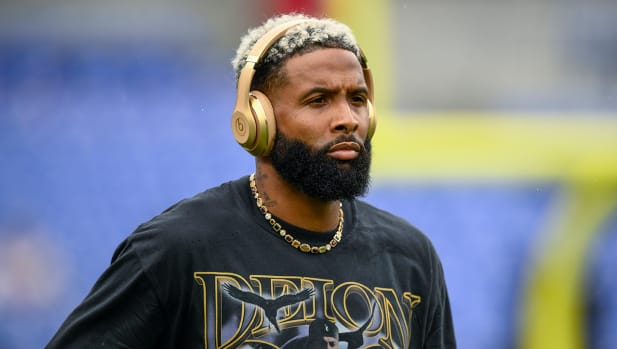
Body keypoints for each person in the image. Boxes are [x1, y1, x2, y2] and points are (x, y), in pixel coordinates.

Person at [46, 13, 456, 348]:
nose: (347, 118)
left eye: (357, 99)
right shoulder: (176, 247)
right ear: (256, 121)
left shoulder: (411, 258)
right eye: (319, 100)